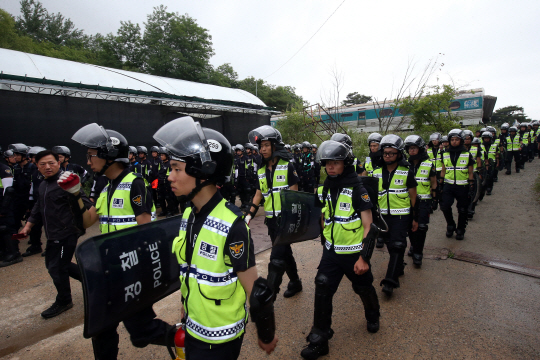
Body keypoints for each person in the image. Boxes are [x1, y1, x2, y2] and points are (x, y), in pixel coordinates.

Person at [154, 116, 278, 359]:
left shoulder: (233, 224)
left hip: (220, 338)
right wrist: (185, 306)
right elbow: (190, 268)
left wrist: (266, 333)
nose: (170, 177)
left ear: (204, 173)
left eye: (177, 169)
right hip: (193, 326)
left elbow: (254, 288)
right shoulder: (189, 213)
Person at [71, 123, 171, 360]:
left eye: (91, 155)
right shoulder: (106, 188)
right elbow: (87, 221)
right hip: (111, 268)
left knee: (141, 330)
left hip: (131, 270)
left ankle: (185, 340)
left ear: (108, 154)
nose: (88, 162)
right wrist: (75, 194)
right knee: (102, 330)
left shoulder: (135, 183)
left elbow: (146, 229)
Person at [300, 140, 380, 360]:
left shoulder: (358, 190)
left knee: (363, 288)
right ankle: (319, 340)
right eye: (327, 163)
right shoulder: (325, 188)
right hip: (331, 253)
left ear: (345, 163)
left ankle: (373, 314)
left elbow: (369, 227)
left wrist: (364, 258)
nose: (330, 167)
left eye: (335, 163)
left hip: (355, 253)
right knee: (322, 288)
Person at [19, 150, 96, 318]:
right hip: (52, 234)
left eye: (51, 163)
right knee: (58, 264)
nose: (48, 167)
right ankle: (95, 281)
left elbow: (87, 203)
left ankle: (64, 300)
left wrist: (84, 217)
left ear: (59, 163)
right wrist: (28, 226)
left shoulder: (67, 182)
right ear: (37, 166)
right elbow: (39, 206)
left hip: (66, 233)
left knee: (57, 266)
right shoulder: (44, 184)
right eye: (43, 164)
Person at [248, 125, 303, 300]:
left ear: (274, 146)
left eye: (266, 145)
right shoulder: (262, 170)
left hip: (286, 221)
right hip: (271, 221)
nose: (262, 149)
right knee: (284, 253)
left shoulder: (288, 166)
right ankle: (295, 282)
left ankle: (269, 295)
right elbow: (258, 194)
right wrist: (249, 215)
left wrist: (294, 221)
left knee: (276, 258)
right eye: (260, 146)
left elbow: (294, 195)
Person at [372, 135, 418, 296]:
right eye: (385, 153)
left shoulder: (407, 172)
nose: (388, 156)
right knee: (390, 245)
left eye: (391, 153)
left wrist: (415, 218)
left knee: (398, 245)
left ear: (399, 154)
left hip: (402, 216)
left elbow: (413, 197)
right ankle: (398, 267)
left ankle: (390, 281)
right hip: (382, 216)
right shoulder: (376, 172)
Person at [404, 135, 436, 267]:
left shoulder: (428, 164)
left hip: (424, 201)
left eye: (414, 148)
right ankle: (414, 245)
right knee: (410, 227)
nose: (412, 151)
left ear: (420, 149)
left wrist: (435, 199)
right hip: (408, 202)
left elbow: (433, 184)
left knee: (421, 227)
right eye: (410, 148)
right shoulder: (404, 165)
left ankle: (418, 253)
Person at [440, 129, 475, 241]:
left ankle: (460, 229)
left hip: (463, 186)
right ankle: (450, 225)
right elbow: (443, 170)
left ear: (461, 141)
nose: (454, 142)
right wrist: (440, 183)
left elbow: (470, 172)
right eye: (452, 140)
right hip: (448, 185)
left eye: (457, 140)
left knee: (463, 209)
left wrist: (471, 185)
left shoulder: (467, 154)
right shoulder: (445, 154)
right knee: (444, 206)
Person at [25, 146, 47, 257]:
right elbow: (32, 188)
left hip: (47, 203)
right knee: (35, 226)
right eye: (32, 157)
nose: (32, 160)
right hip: (35, 202)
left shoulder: (47, 172)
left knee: (50, 225)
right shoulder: (32, 171)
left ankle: (50, 247)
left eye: (35, 157)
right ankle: (35, 245)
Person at [0, 160, 18, 267]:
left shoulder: (3, 169)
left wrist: (4, 208)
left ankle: (14, 252)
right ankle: (4, 251)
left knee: (8, 228)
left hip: (4, 205)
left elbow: (9, 190)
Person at [157, 146, 179, 217]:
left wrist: (169, 184)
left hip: (168, 184)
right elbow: (159, 173)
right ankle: (164, 210)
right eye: (160, 155)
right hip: (161, 184)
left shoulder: (170, 164)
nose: (161, 156)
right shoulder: (161, 163)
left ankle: (170, 211)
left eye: (162, 155)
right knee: (160, 198)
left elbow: (170, 175)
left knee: (169, 198)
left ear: (167, 155)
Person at [427, 133, 443, 211]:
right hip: (431, 171)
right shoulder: (429, 150)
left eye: (436, 140)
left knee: (440, 187)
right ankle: (433, 202)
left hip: (440, 171)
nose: (434, 141)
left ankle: (439, 200)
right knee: (432, 187)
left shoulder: (442, 149)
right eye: (433, 140)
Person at [480, 131, 499, 196]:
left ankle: (489, 189)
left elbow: (497, 154)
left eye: (487, 138)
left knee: (490, 177)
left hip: (492, 163)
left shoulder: (494, 145)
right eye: (485, 138)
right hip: (483, 164)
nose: (486, 139)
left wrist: (498, 162)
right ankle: (482, 189)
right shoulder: (480, 146)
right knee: (482, 177)